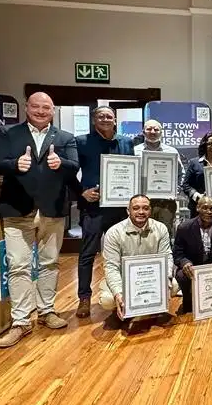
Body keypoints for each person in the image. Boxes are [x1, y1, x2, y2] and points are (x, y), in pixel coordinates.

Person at [0, 92, 79, 348]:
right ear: (27, 107)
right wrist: (15, 164)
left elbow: (74, 166)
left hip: (52, 209)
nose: (41, 111)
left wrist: (60, 162)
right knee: (18, 265)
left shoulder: (65, 137)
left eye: (46, 107)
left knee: (50, 262)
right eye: (36, 106)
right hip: (17, 210)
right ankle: (21, 321)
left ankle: (46, 311)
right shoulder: (8, 133)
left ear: (53, 110)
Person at [73, 106, 135, 319]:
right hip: (94, 208)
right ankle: (84, 298)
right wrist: (82, 192)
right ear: (94, 120)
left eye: (109, 116)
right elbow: (69, 174)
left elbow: (130, 171)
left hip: (120, 208)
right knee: (88, 253)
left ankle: (124, 294)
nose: (105, 119)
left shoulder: (126, 142)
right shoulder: (81, 142)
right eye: (101, 116)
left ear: (115, 120)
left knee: (124, 251)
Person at [99, 195, 174, 321]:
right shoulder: (113, 232)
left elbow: (167, 257)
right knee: (108, 300)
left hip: (150, 280)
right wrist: (118, 293)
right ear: (128, 211)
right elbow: (111, 267)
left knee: (174, 285)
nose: (141, 212)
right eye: (136, 208)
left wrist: (166, 281)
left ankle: (150, 307)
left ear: (150, 211)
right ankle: (121, 307)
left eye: (145, 208)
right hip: (124, 280)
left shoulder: (161, 228)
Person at [134, 119, 184, 237]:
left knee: (165, 233)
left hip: (166, 202)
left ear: (161, 132)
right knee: (142, 234)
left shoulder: (171, 151)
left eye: (156, 129)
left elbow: (181, 173)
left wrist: (176, 190)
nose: (152, 132)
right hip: (142, 202)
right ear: (143, 132)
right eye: (149, 129)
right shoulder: (135, 151)